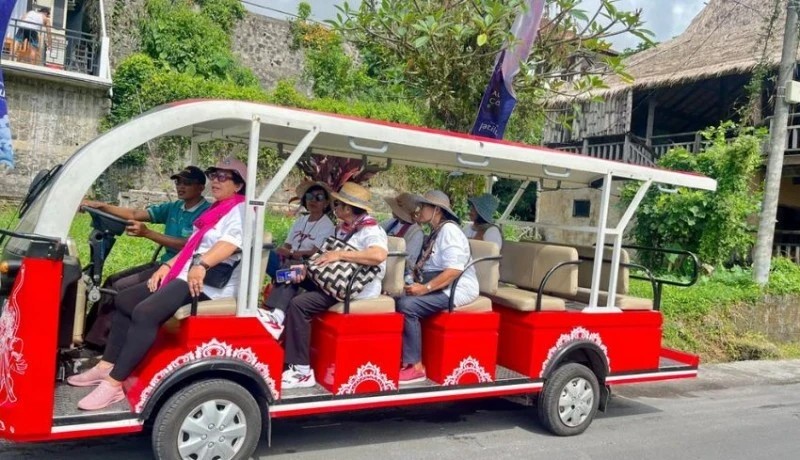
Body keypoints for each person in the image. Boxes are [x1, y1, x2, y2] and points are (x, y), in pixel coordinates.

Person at [66, 157, 249, 411]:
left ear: (238, 186)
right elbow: (193, 245)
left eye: (222, 177)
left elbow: (228, 244)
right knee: (124, 299)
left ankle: (113, 384)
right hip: (188, 273)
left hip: (208, 284)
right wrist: (167, 265)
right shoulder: (216, 210)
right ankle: (106, 364)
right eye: (214, 176)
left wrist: (202, 265)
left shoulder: (240, 210)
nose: (215, 181)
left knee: (145, 312)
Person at [265, 182, 388, 389]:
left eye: (338, 204)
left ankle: (302, 371)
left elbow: (378, 255)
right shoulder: (343, 228)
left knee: (300, 304)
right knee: (292, 269)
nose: (335, 207)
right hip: (333, 281)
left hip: (352, 288)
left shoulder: (370, 229)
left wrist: (340, 254)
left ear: (348, 208)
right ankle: (277, 314)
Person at [81, 166, 210, 349]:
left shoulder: (206, 212)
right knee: (111, 281)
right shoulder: (174, 207)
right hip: (163, 263)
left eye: (187, 183)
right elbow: (135, 214)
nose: (180, 186)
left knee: (120, 289)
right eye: (178, 182)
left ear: (200, 188)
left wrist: (148, 233)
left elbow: (189, 246)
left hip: (180, 268)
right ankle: (91, 338)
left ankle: (102, 345)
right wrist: (101, 206)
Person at [396, 190, 479, 384]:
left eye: (424, 206)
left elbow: (454, 271)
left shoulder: (449, 231)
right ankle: (403, 356)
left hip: (457, 288)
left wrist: (424, 289)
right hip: (439, 284)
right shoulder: (436, 231)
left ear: (437, 211)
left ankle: (415, 366)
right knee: (397, 297)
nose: (420, 210)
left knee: (407, 306)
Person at [264, 181, 335, 281]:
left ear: (326, 203)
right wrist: (284, 252)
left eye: (319, 198)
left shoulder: (327, 225)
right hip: (289, 261)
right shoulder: (301, 220)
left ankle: (282, 277)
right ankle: (282, 277)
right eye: (309, 196)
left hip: (306, 267)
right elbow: (287, 245)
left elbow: (315, 253)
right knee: (263, 253)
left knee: (283, 275)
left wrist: (291, 253)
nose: (313, 200)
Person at [381, 192, 424, 271]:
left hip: (396, 272)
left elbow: (409, 262)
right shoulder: (392, 222)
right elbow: (378, 231)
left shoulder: (416, 233)